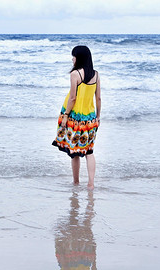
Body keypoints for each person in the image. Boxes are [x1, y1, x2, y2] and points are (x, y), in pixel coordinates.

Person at [52, 46, 101, 190]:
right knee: (89, 152)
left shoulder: (75, 74)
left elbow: (72, 98)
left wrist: (66, 115)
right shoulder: (96, 75)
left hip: (74, 117)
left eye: (73, 56)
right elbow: (98, 97)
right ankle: (91, 183)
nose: (72, 59)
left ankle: (76, 182)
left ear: (79, 58)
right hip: (90, 118)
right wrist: (98, 116)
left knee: (74, 153)